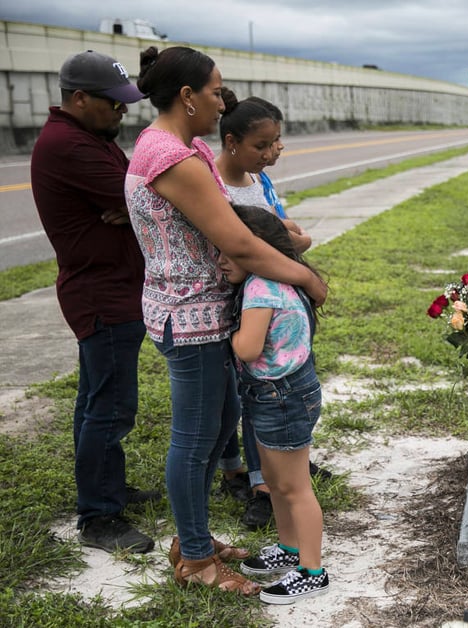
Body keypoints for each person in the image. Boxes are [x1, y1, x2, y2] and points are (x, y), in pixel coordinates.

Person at [126, 45, 327, 595]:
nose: (222, 102)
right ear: (187, 96)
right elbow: (238, 240)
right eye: (215, 91)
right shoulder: (173, 157)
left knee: (215, 428)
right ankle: (196, 559)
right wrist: (306, 278)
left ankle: (195, 538)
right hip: (189, 320)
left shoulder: (172, 146)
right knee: (195, 440)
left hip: (200, 314)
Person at [29, 50, 160, 555]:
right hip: (102, 293)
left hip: (114, 286)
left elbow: (138, 196)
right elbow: (154, 195)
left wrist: (132, 207)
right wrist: (136, 206)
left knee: (96, 401)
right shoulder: (68, 145)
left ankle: (105, 489)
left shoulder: (90, 136)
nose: (122, 112)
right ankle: (99, 517)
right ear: (79, 98)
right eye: (113, 103)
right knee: (110, 406)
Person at [213, 89, 323, 530]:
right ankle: (251, 476)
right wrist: (289, 248)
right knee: (248, 396)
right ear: (230, 141)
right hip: (241, 296)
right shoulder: (211, 184)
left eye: (274, 143)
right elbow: (280, 237)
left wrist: (290, 244)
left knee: (274, 388)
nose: (271, 153)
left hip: (269, 298)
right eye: (262, 146)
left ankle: (274, 477)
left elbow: (291, 230)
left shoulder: (259, 183)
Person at [221, 204, 329, 603]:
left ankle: (313, 571)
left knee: (294, 487)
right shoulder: (272, 280)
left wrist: (223, 334)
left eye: (227, 252)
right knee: (275, 482)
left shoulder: (261, 289)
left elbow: (247, 348)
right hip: (273, 395)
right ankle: (289, 548)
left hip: (281, 398)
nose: (219, 261)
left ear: (256, 250)